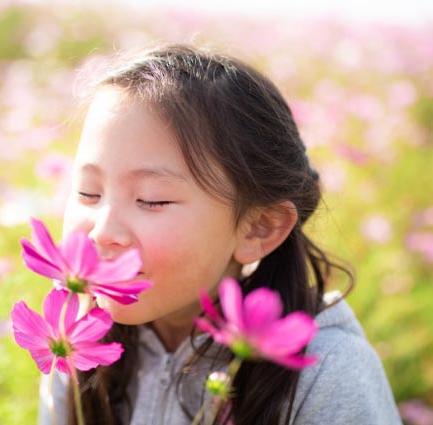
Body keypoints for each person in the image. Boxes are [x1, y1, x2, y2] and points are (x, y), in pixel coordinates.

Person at [38, 44, 401, 425]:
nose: (102, 232)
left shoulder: (327, 373)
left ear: (259, 228)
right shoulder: (73, 342)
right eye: (87, 193)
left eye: (151, 200)